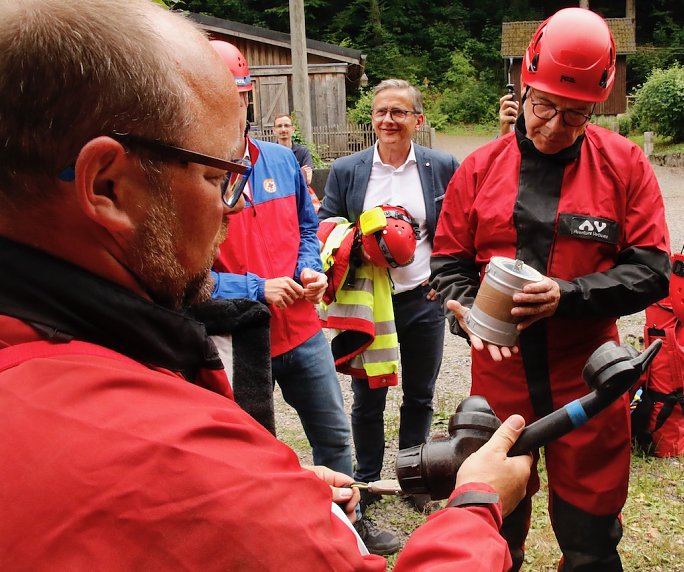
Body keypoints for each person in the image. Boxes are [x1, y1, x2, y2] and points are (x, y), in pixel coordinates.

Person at [0, 0, 532, 568]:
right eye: (216, 177)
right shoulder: (181, 460)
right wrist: (477, 504)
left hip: (310, 327)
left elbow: (311, 226)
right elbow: (175, 479)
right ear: (107, 187)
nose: (230, 210)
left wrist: (271, 481)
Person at [430, 8, 671, 571]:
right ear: (524, 82)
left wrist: (568, 295)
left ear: (597, 107)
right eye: (543, 106)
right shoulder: (481, 168)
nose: (553, 127)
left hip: (586, 378)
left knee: (590, 543)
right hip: (498, 373)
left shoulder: (625, 165)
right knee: (492, 533)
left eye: (575, 114)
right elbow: (448, 262)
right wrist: (460, 306)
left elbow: (653, 269)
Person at [208, 40, 400, 554]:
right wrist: (256, 288)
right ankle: (268, 542)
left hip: (302, 331)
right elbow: (186, 281)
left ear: (248, 100)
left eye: (238, 98)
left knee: (334, 436)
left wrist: (309, 267)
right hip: (239, 343)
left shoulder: (280, 159)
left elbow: (308, 227)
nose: (230, 111)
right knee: (250, 454)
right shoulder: (193, 175)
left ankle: (346, 534)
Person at [319, 79, 459, 532]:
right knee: (368, 394)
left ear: (417, 120)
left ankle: (414, 479)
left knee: (419, 393)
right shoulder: (347, 169)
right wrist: (357, 243)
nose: (388, 120)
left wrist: (445, 281)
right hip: (369, 299)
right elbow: (326, 223)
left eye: (399, 112)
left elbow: (456, 228)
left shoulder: (442, 166)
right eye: (381, 112)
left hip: (423, 295)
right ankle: (367, 478)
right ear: (372, 119)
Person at [273, 112, 314, 187]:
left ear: (293, 129)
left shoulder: (303, 152)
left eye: (286, 125)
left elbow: (307, 179)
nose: (283, 129)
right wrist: (298, 173)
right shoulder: (269, 153)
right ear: (274, 130)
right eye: (279, 126)